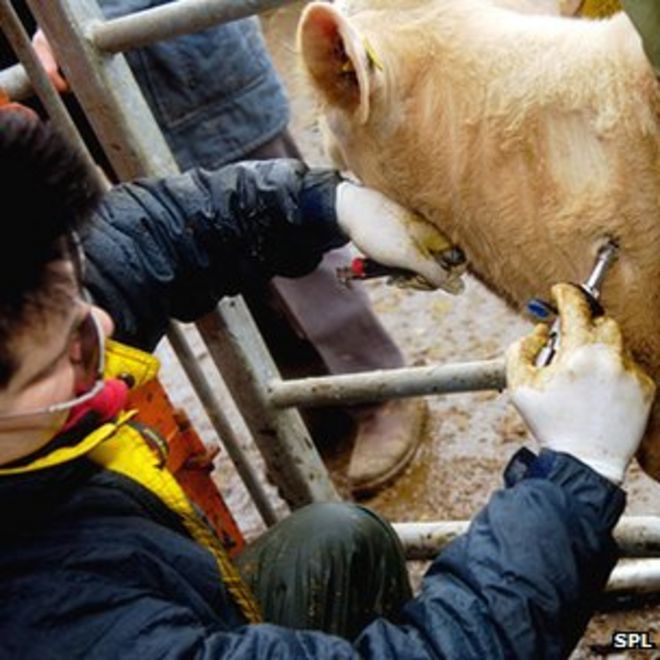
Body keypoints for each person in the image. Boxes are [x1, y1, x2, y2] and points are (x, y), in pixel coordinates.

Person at [0, 108, 656, 658]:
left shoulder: (29, 317)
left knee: (336, 540)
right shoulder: (58, 623)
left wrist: (327, 203)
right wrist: (575, 470)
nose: (105, 322)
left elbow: (147, 233)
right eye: (76, 349)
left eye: (78, 282)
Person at [30, 0, 428, 496]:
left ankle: (379, 389)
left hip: (199, 82)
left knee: (296, 248)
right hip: (115, 106)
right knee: (217, 266)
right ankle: (312, 403)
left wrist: (72, 25)